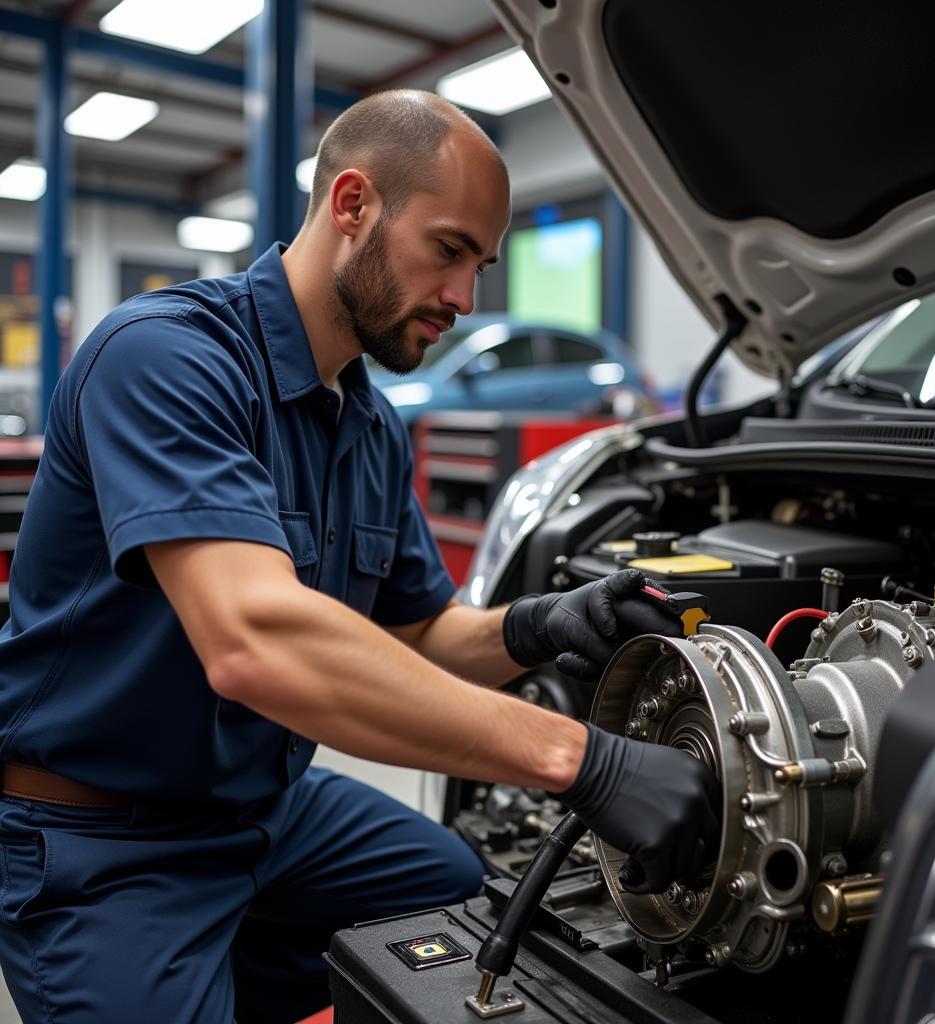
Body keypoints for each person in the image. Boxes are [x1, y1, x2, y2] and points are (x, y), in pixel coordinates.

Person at [0, 91, 720, 1023]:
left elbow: (419, 630)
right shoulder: (165, 357)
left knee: (456, 894)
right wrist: (581, 758)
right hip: (106, 838)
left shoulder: (370, 426)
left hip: (266, 813)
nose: (465, 299)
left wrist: (538, 626)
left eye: (482, 266)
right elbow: (255, 641)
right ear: (352, 206)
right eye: (450, 251)